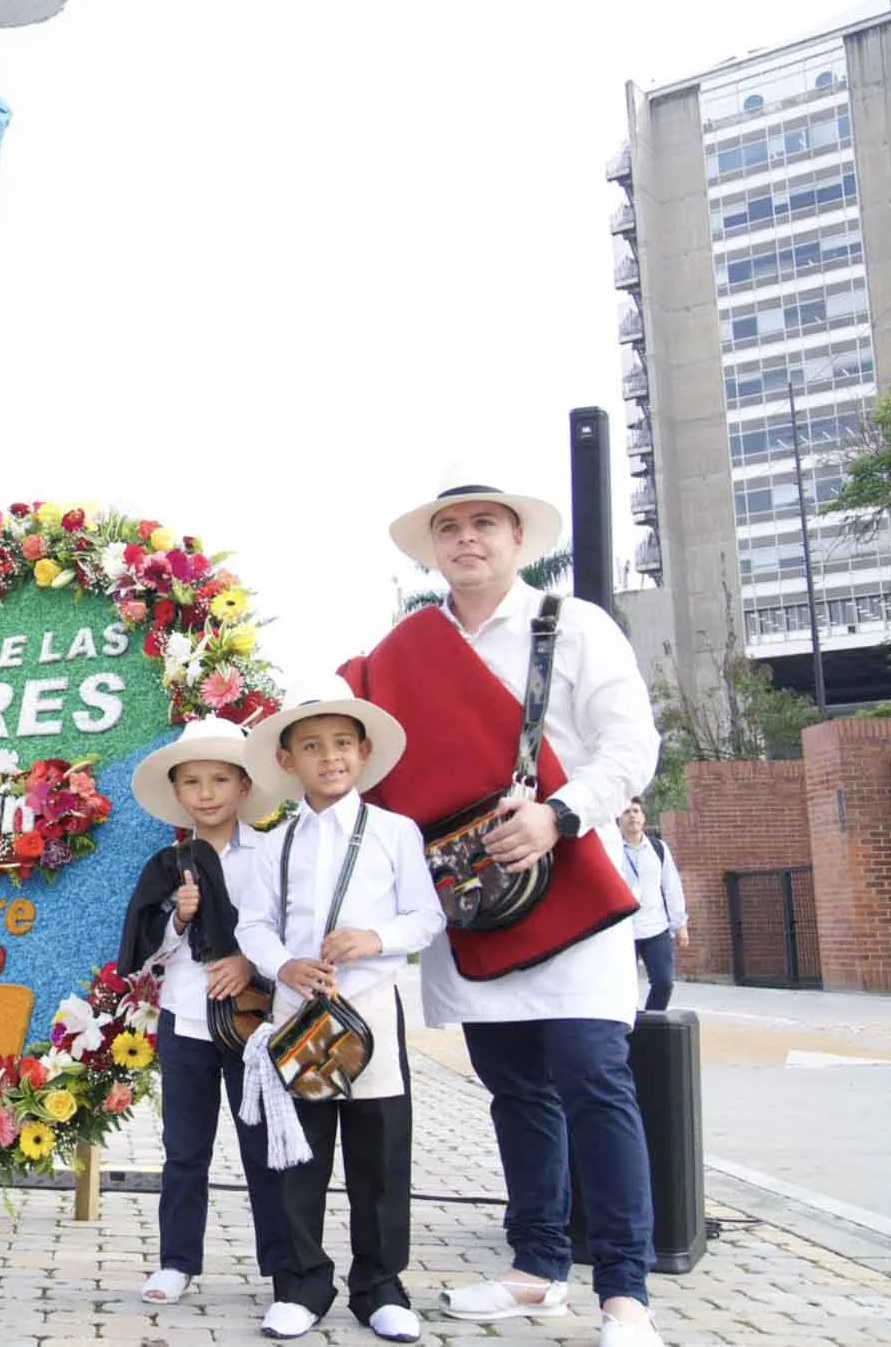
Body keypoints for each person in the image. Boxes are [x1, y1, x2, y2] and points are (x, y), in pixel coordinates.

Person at [342, 482, 664, 1347]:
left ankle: (627, 1296)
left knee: (594, 1077)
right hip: (470, 900)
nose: (466, 538)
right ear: (430, 549)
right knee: (515, 1089)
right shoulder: (404, 648)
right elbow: (352, 749)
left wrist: (558, 814)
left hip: (571, 886)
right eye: (448, 527)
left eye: (484, 523)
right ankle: (536, 1270)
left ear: (518, 537)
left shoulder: (577, 623)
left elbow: (633, 745)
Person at [231, 682, 445, 1343]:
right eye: (313, 746)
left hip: (371, 1009)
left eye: (342, 744)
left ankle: (380, 1286)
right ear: (289, 759)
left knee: (379, 1153)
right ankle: (302, 1284)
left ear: (365, 752)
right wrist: (283, 965)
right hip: (300, 1012)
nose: (330, 757)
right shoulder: (277, 843)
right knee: (300, 1155)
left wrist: (373, 940)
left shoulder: (394, 831)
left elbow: (427, 915)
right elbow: (254, 926)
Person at [115, 717, 280, 1309]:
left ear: (242, 785)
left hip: (253, 1024)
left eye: (219, 779)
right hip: (184, 1022)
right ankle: (177, 1262)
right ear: (178, 792)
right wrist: (179, 918)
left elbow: (290, 933)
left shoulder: (271, 853)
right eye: (192, 782)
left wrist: (247, 964)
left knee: (264, 1147)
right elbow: (144, 952)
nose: (206, 793)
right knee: (185, 1149)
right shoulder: (169, 862)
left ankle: (283, 1263)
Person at [619, 798, 688, 1012]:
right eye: (627, 812)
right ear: (619, 819)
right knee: (623, 987)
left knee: (664, 982)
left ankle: (652, 1024)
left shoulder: (658, 848)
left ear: (643, 817)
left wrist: (680, 925)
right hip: (623, 930)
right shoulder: (612, 850)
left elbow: (671, 886)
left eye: (636, 811)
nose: (632, 815)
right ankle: (628, 1027)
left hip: (656, 927)